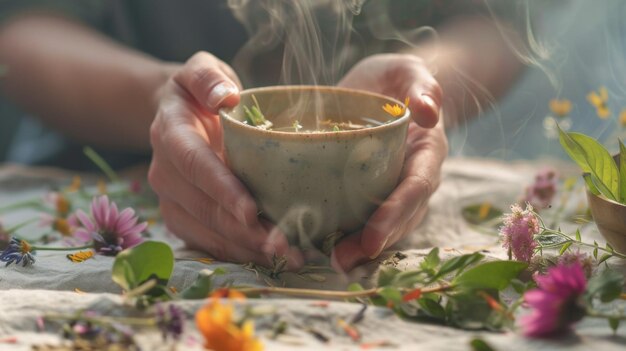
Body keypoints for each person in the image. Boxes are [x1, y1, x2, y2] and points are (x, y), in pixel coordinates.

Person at [0, 0, 523, 271]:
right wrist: (159, 95)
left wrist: (421, 91)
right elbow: (24, 27)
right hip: (94, 174)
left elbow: (493, 23)